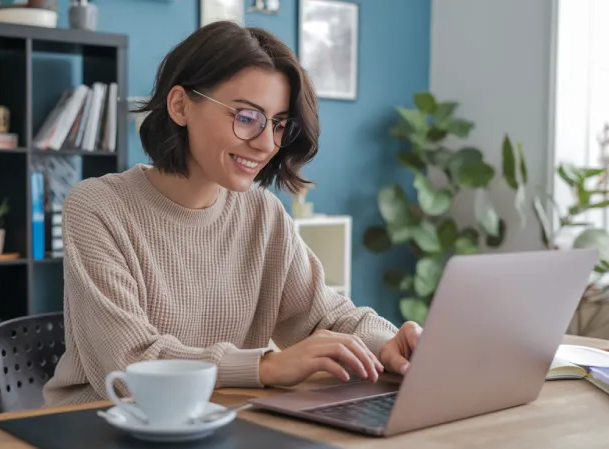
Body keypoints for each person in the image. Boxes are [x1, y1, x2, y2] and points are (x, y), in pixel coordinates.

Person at [42, 20, 422, 407]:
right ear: (180, 106)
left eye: (278, 124)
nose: (265, 144)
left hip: (215, 423)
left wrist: (388, 343)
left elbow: (326, 314)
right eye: (246, 117)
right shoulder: (97, 207)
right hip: (100, 425)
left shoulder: (263, 214)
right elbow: (129, 365)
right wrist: (265, 367)